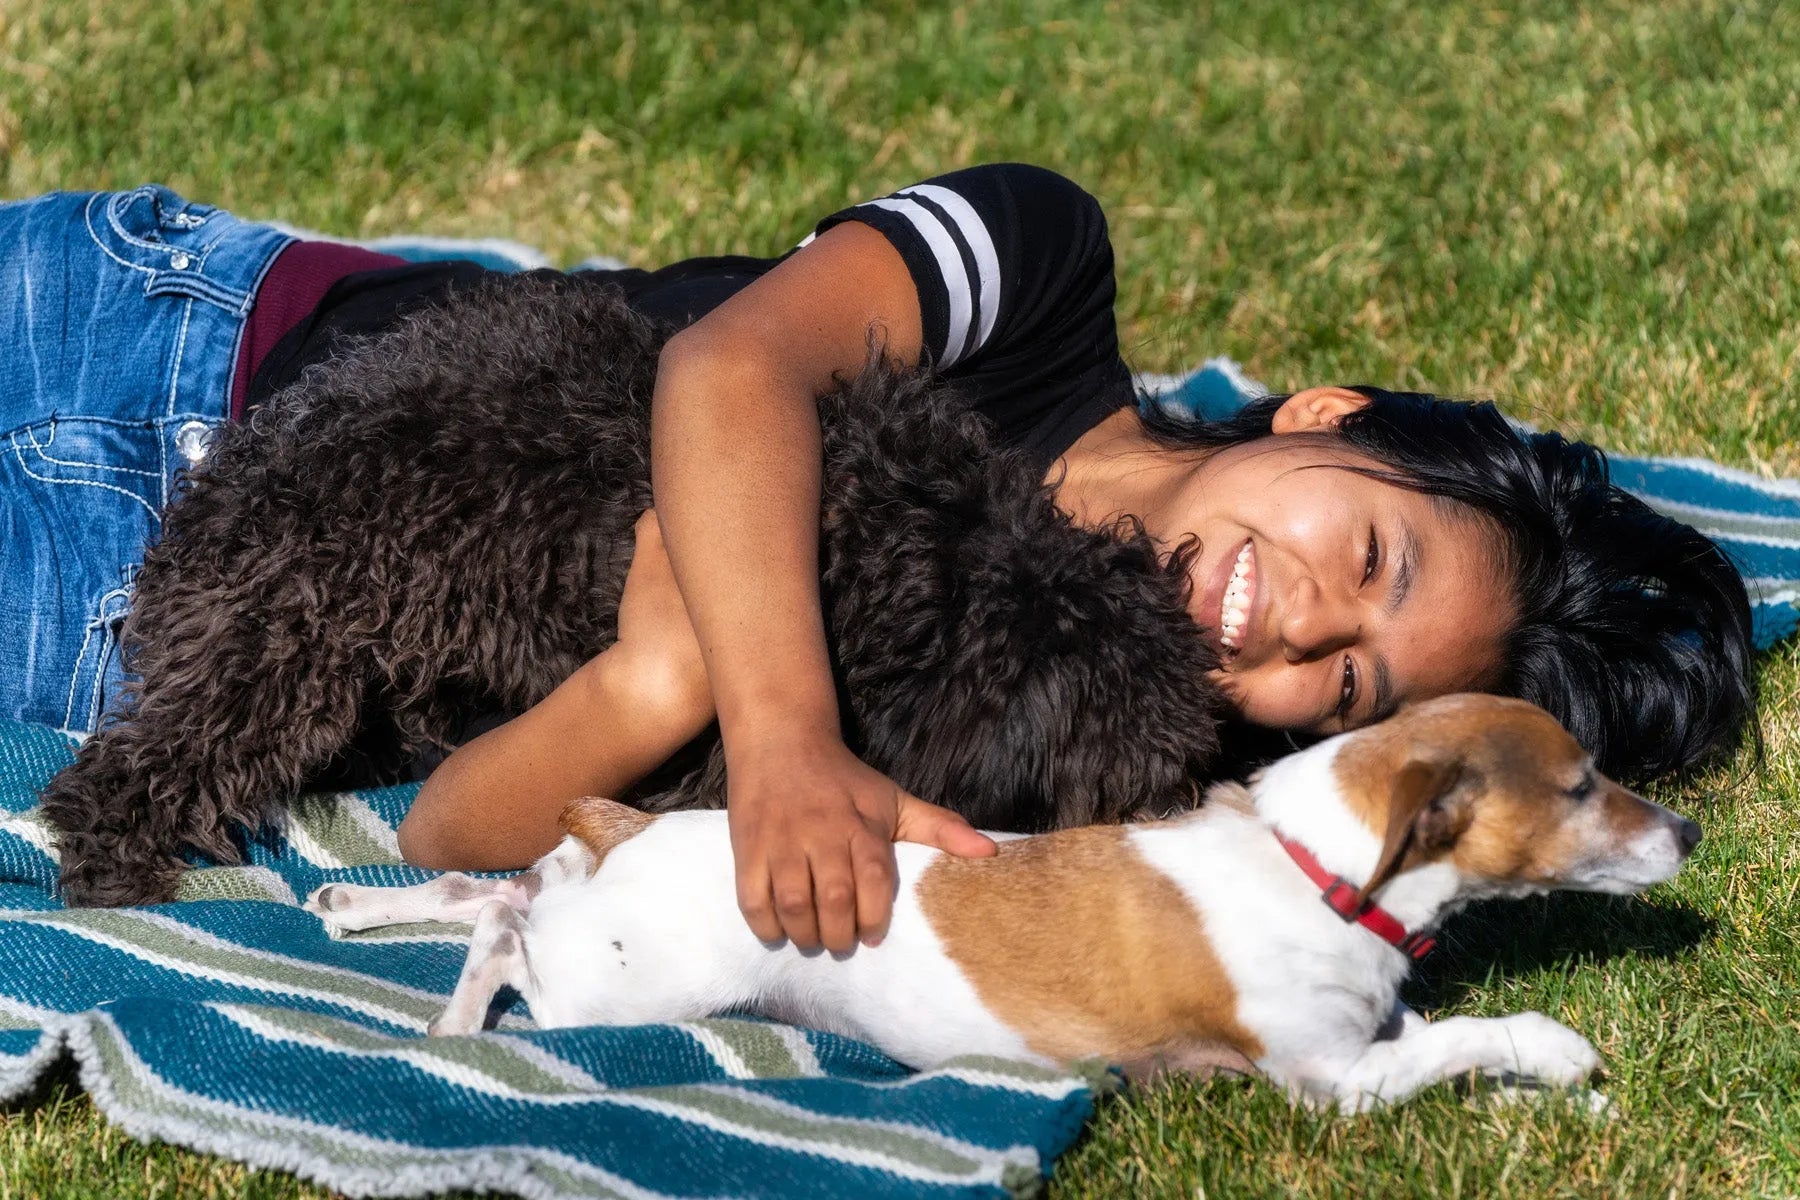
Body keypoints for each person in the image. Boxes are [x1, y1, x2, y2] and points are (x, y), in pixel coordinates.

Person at [0, 166, 1756, 952]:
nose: (1295, 620)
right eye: (1361, 551)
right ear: (1322, 415)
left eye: (1348, 686)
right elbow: (730, 371)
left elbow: (446, 828)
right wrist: (780, 740)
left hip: (130, 652)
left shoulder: (1043, 747)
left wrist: (660, 691)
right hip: (173, 353)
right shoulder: (1040, 278)